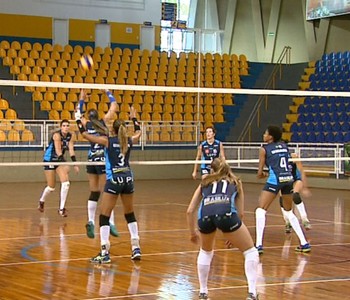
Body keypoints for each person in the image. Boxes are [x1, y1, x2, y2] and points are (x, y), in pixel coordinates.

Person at [75, 90, 142, 263]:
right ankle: (136, 248)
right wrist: (134, 118)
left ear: (112, 129)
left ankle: (104, 253)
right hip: (128, 178)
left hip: (114, 180)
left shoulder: (107, 141)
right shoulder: (129, 140)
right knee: (130, 214)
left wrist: (77, 119)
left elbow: (84, 135)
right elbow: (139, 132)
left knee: (104, 216)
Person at [187, 157, 259, 300]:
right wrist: (232, 234)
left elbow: (190, 210)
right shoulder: (236, 182)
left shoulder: (204, 183)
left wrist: (192, 232)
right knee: (250, 251)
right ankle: (252, 293)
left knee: (205, 252)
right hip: (226, 214)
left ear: (212, 170)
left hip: (205, 216)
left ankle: (203, 292)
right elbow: (241, 212)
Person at [255, 125, 311, 254]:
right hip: (288, 180)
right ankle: (304, 243)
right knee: (289, 212)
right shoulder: (285, 147)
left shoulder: (264, 149)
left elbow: (259, 174)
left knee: (260, 210)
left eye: (265, 133)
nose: (263, 135)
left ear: (271, 137)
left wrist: (263, 175)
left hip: (275, 181)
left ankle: (258, 245)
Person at [78, 89, 119, 239]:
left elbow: (77, 114)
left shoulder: (86, 124)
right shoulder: (103, 123)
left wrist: (82, 99)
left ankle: (90, 221)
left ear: (89, 117)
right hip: (102, 160)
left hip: (91, 160)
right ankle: (111, 222)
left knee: (94, 191)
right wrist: (107, 92)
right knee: (107, 193)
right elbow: (114, 106)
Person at [38, 119, 79, 217]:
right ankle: (41, 201)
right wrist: (65, 163)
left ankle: (61, 209)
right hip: (50, 160)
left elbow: (71, 150)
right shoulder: (57, 135)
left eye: (67, 125)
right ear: (61, 127)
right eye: (64, 125)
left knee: (66, 183)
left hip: (59, 161)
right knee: (51, 187)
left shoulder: (70, 136)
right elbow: (58, 151)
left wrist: (75, 164)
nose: (66, 127)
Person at [279, 146, 312, 233]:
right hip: (284, 179)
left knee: (295, 195)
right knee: (283, 199)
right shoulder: (276, 157)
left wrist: (305, 187)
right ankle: (287, 222)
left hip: (295, 179)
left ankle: (305, 219)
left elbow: (301, 171)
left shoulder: (293, 157)